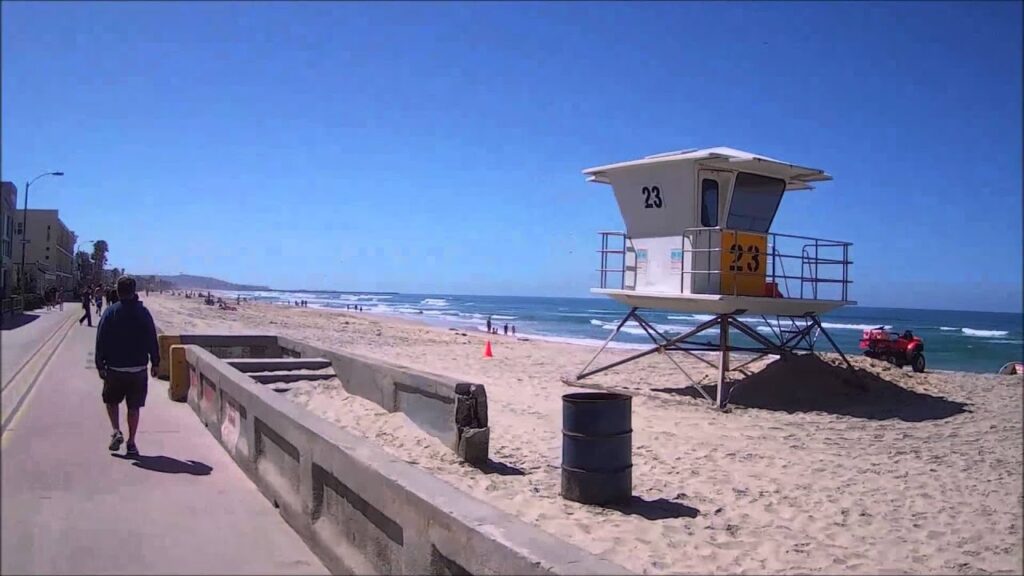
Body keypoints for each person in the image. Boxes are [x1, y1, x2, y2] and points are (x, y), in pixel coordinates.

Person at [95, 276, 160, 456]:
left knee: (111, 401)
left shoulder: (110, 312)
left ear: (117, 290)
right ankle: (131, 442)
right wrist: (155, 362)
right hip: (138, 369)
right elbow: (151, 339)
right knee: (134, 407)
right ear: (134, 291)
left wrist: (100, 365)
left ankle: (116, 431)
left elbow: (100, 339)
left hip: (114, 368)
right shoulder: (144, 313)